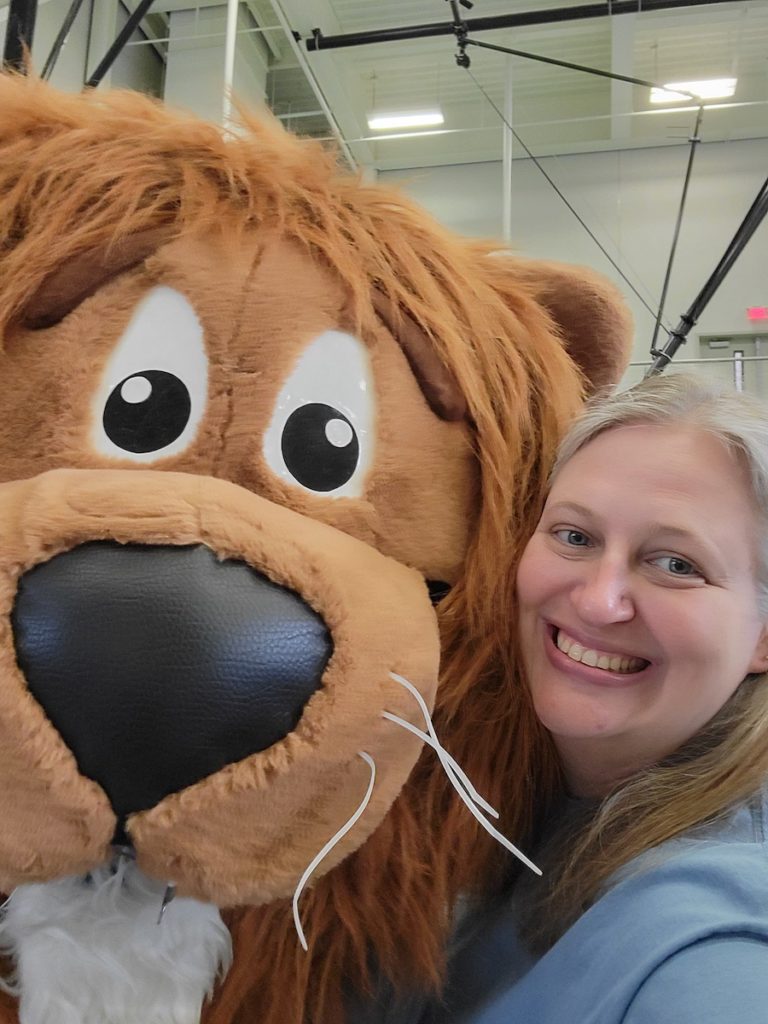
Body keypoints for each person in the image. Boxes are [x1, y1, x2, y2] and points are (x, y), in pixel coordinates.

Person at [418, 372, 768, 1024]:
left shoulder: (715, 938)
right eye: (574, 537)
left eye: (676, 564)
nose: (598, 601)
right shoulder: (481, 773)